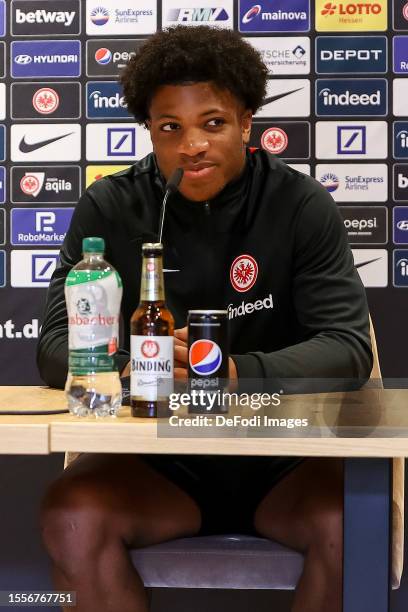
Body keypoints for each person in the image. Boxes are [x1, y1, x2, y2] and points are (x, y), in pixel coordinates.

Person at [37, 26, 372, 612]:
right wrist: (147, 365)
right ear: (150, 131)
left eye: (212, 123)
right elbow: (54, 347)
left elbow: (347, 349)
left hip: (284, 456)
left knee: (351, 521)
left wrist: (230, 372)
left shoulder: (299, 204)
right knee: (73, 515)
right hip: (155, 460)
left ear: (246, 123)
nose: (191, 144)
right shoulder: (112, 206)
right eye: (170, 128)